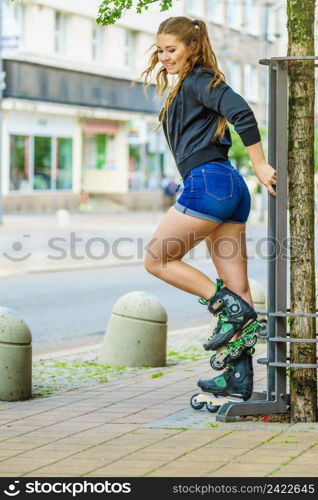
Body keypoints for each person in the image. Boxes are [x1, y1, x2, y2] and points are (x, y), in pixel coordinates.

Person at [141, 17, 276, 401]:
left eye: (173, 49)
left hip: (209, 184)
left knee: (157, 260)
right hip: (230, 187)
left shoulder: (199, 80)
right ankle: (238, 379)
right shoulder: (192, 83)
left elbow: (242, 112)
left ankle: (228, 308)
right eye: (161, 50)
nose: (165, 57)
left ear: (192, 48)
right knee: (239, 288)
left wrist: (261, 165)